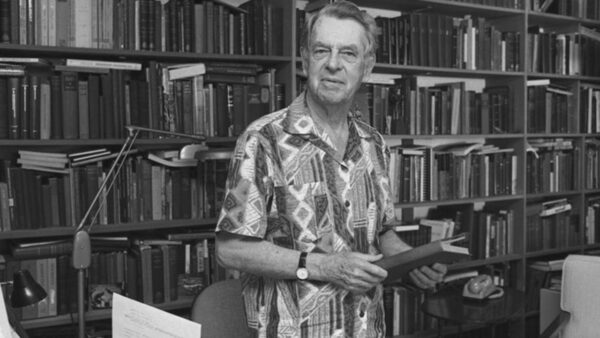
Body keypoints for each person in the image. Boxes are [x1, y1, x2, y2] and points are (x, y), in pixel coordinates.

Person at [215, 1, 447, 337]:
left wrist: (412, 263)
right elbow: (229, 249)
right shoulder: (263, 139)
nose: (333, 64)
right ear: (306, 58)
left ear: (366, 67)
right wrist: (325, 266)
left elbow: (382, 233)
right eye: (322, 50)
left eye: (348, 53)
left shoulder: (374, 143)